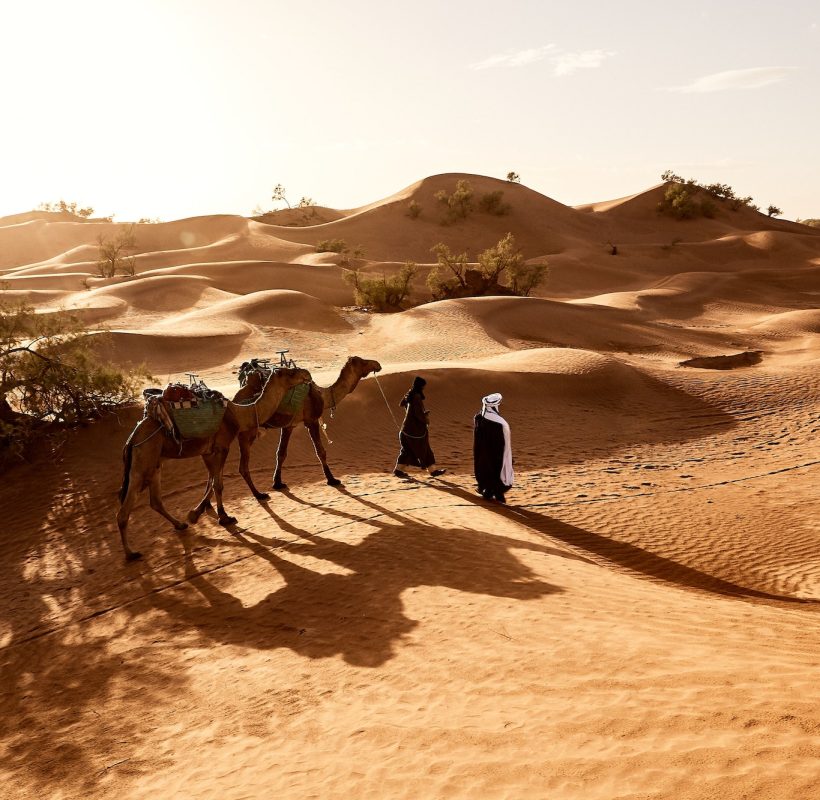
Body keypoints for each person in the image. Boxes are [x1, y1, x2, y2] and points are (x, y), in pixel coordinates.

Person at [393, 376, 446, 479]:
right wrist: (425, 418)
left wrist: (409, 408)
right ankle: (433, 470)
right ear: (420, 386)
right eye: (423, 386)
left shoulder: (410, 393)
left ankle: (398, 471)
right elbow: (418, 414)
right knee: (425, 449)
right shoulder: (416, 396)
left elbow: (402, 404)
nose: (424, 388)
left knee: (406, 451)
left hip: (405, 430)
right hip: (414, 432)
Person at [473, 392, 514, 502]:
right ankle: (497, 494)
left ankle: (487, 491)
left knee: (485, 470)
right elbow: (501, 441)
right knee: (497, 471)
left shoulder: (479, 417)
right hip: (495, 453)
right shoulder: (500, 423)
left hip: (482, 452)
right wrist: (505, 455)